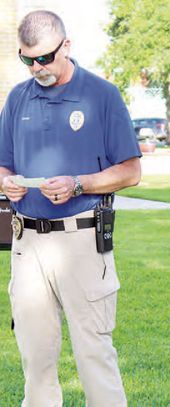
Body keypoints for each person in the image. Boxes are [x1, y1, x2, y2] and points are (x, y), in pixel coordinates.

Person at [0, 10, 141, 406]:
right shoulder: (17, 97)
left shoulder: (102, 95)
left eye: (44, 58)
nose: (36, 68)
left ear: (66, 46)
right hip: (27, 241)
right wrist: (6, 182)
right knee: (35, 351)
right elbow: (3, 163)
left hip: (81, 239)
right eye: (27, 59)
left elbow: (131, 171)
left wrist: (79, 183)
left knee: (93, 350)